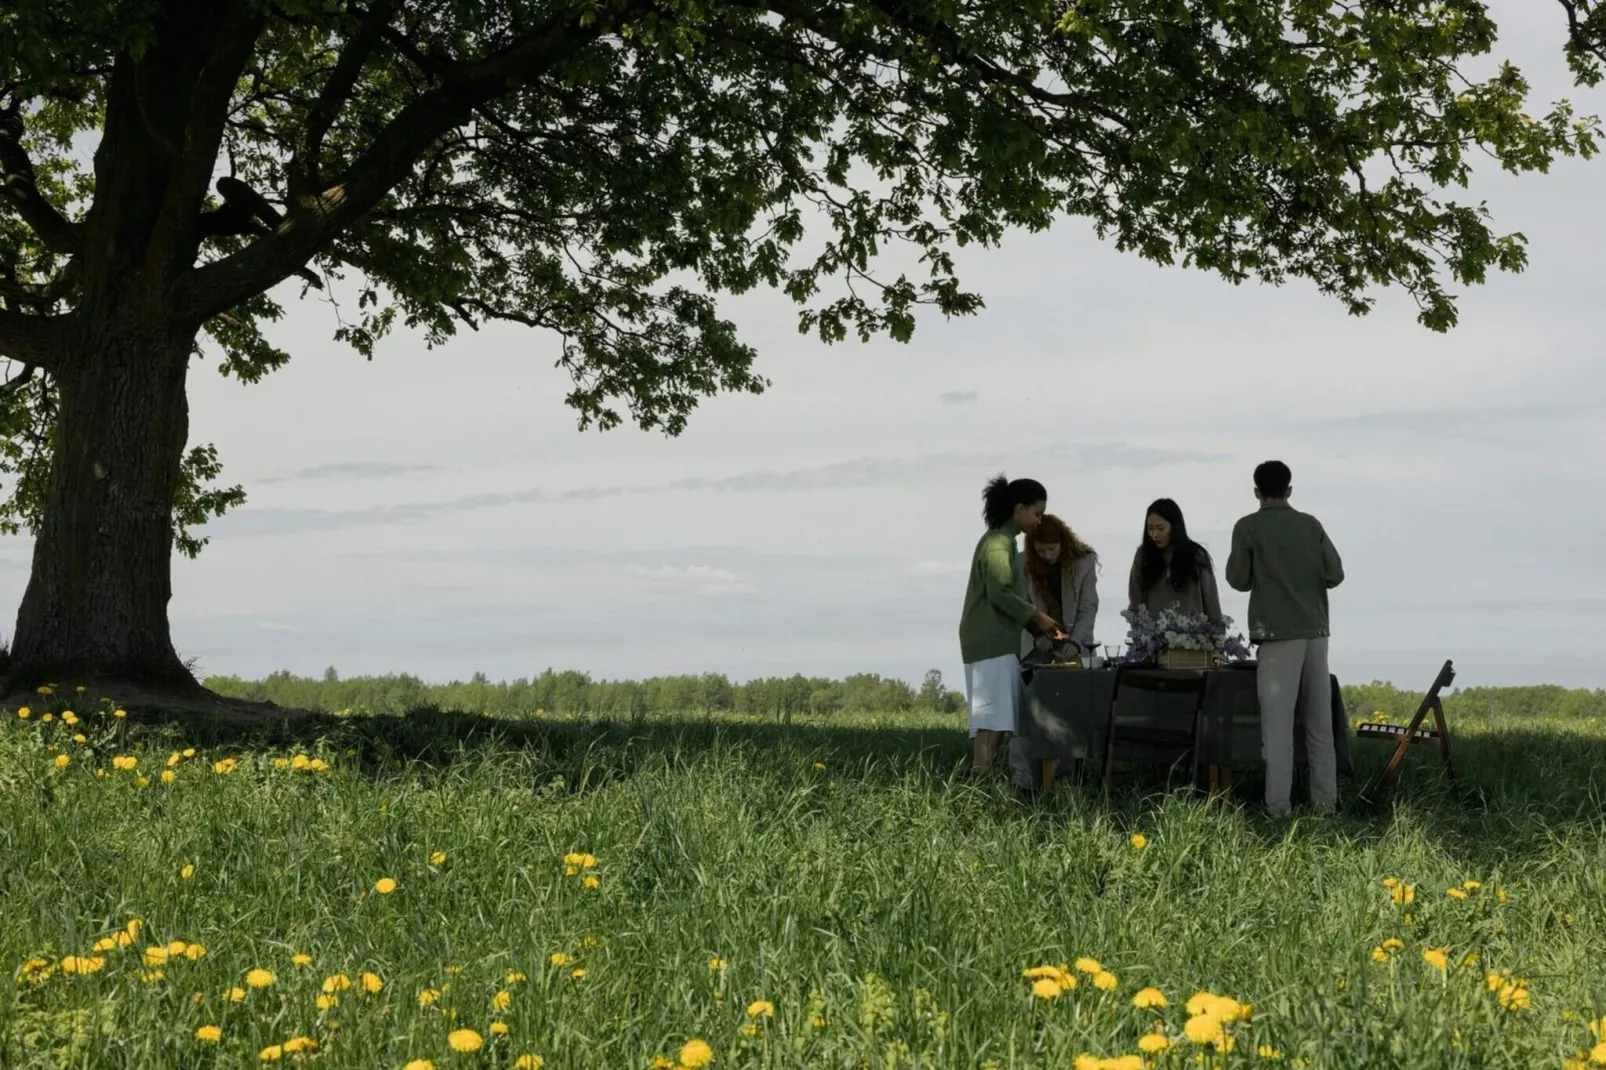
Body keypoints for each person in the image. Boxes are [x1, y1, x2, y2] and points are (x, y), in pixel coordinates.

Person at [1224, 460, 1345, 816]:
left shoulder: (1248, 527)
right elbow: (1335, 574)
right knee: (1319, 726)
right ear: (1289, 489)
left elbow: (1238, 579)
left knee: (1277, 731)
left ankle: (1278, 808)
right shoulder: (1311, 525)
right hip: (1316, 633)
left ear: (1256, 492)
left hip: (1276, 637)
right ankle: (1326, 806)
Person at [958, 474, 1065, 778]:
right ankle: (978, 781)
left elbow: (1010, 598)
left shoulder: (1003, 542)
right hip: (990, 641)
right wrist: (1039, 618)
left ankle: (982, 779)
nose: (1038, 520)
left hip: (997, 639)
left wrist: (1037, 629)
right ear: (1020, 509)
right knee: (992, 719)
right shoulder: (998, 544)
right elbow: (1000, 593)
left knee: (998, 717)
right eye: (1037, 513)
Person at [1128, 498, 1224, 627]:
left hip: (1194, 640)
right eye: (1150, 529)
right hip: (1154, 641)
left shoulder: (1196, 555)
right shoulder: (1143, 555)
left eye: (1160, 528)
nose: (1154, 534)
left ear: (1174, 526)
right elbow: (1135, 599)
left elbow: (1211, 601)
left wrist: (1218, 634)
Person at [1019, 513, 1100, 661]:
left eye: (1052, 548)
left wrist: (1074, 641)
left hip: (1077, 643)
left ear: (1063, 542)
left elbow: (1088, 607)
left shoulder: (1084, 561)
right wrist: (1038, 636)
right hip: (1037, 647)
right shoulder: (1023, 563)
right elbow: (1021, 606)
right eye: (1041, 551)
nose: (1047, 555)